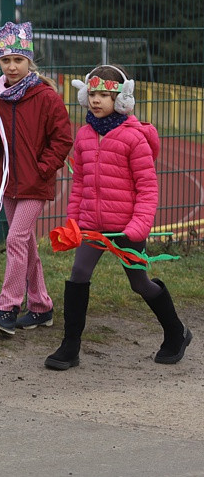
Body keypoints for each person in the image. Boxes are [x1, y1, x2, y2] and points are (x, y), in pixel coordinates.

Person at [45, 64, 192, 370]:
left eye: (104, 95)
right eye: (93, 94)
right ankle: (70, 346)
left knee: (140, 284)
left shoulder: (133, 138)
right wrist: (75, 222)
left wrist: (138, 227)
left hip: (127, 228)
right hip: (92, 229)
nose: (96, 100)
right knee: (78, 276)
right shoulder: (84, 136)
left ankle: (176, 332)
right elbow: (80, 184)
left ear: (121, 99)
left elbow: (147, 188)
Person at [0, 22, 73, 336]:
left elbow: (62, 139)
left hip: (36, 184)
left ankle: (7, 308)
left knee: (16, 239)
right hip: (9, 183)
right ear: (0, 62)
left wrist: (44, 169)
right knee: (28, 245)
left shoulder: (46, 97)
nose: (12, 66)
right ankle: (41, 306)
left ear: (28, 61)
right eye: (6, 61)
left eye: (18, 60)